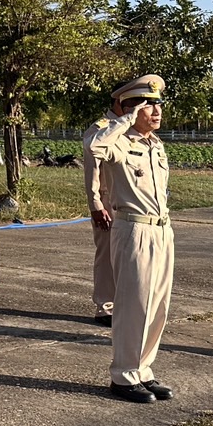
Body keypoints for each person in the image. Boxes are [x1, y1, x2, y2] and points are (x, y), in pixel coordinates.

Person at [89, 75, 175, 404]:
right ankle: (123, 375)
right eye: (147, 105)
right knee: (133, 305)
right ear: (131, 109)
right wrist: (124, 119)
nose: (156, 111)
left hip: (161, 229)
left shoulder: (155, 144)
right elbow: (94, 147)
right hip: (133, 229)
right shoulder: (118, 140)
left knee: (157, 306)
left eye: (157, 104)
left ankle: (143, 369)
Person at [82, 97, 122, 327]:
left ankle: (124, 304)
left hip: (129, 201)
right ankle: (106, 307)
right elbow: (92, 170)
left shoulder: (133, 128)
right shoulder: (101, 128)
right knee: (107, 255)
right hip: (108, 200)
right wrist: (96, 204)